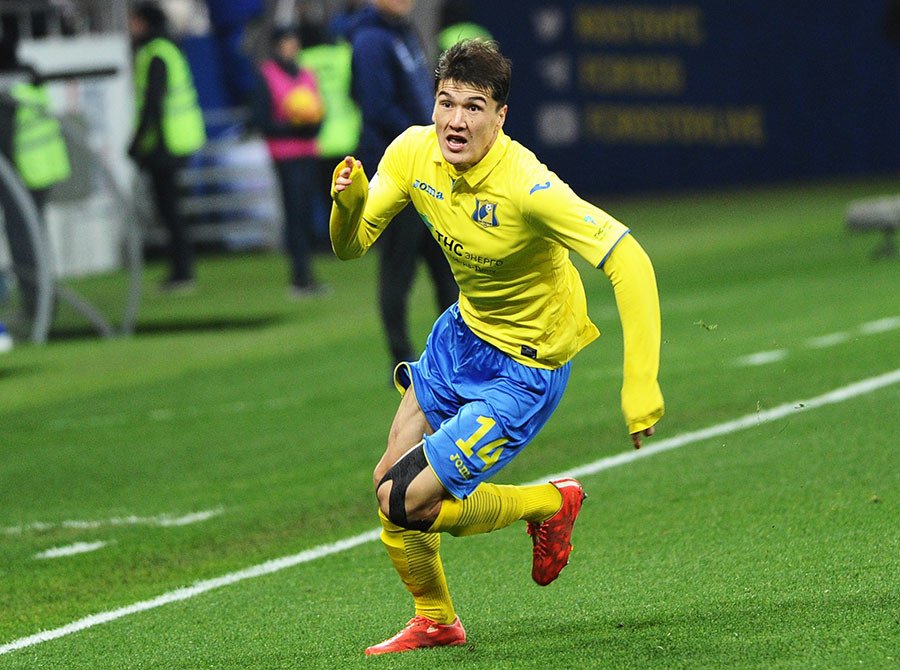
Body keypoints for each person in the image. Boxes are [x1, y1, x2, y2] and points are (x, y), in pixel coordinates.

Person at [330, 39, 665, 654]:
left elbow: (630, 260)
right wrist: (347, 206)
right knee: (389, 485)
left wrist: (640, 380)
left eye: (474, 107)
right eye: (446, 102)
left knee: (404, 498)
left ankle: (548, 504)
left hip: (525, 367)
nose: (455, 121)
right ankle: (436, 620)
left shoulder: (528, 187)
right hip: (462, 335)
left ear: (501, 116)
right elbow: (350, 247)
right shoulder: (413, 152)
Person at [347, 0, 458, 373]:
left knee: (449, 267)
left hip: (430, 170)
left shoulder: (403, 32)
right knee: (398, 269)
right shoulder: (370, 40)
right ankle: (401, 359)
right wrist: (427, 140)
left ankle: (456, 356)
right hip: (399, 173)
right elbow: (377, 108)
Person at [128, 2, 206, 292]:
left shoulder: (155, 53)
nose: (131, 28)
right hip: (176, 139)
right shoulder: (167, 49)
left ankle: (182, 271)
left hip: (166, 142)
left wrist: (137, 144)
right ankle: (181, 269)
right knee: (171, 208)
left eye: (135, 22)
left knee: (169, 208)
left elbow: (153, 103)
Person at [252, 26, 328, 297]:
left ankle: (306, 275)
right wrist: (295, 127)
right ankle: (300, 277)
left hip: (308, 151)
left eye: (293, 42)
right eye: (285, 43)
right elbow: (262, 120)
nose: (290, 48)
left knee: (306, 213)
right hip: (285, 154)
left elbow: (320, 110)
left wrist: (312, 126)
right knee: (295, 214)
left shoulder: (307, 74)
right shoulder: (267, 76)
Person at [0, 28, 70, 319]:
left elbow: (4, 145)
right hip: (43, 169)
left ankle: (36, 308)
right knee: (36, 239)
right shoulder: (29, 76)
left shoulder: (7, 88)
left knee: (24, 243)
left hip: (21, 176)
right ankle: (44, 304)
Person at [297, 16, 361, 252]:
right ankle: (356, 235)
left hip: (318, 139)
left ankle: (329, 240)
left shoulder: (302, 61)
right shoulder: (343, 54)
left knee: (326, 198)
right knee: (354, 193)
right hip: (349, 134)